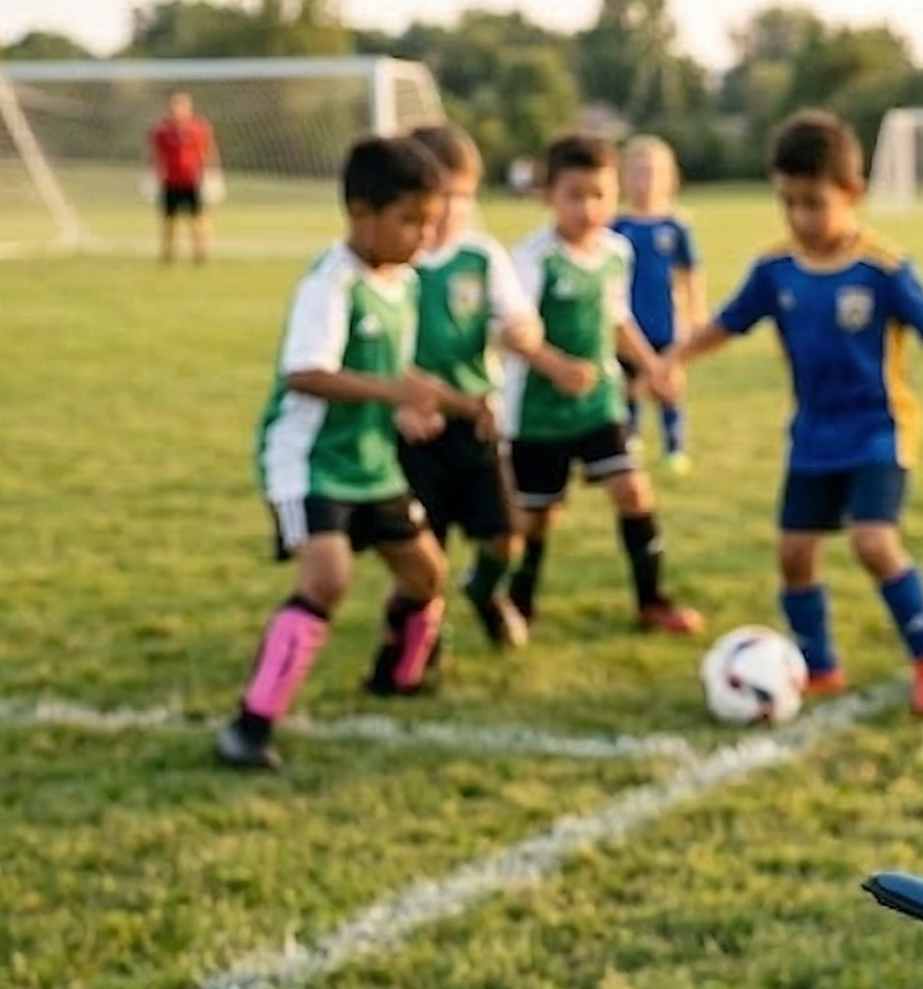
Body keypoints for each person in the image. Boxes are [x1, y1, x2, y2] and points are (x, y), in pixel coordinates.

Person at [665, 110, 923, 715]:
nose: (799, 218)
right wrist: (672, 360)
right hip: (812, 435)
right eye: (787, 203)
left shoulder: (885, 269)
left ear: (852, 194)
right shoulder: (775, 268)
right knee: (793, 555)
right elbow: (727, 324)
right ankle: (820, 664)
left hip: (878, 430)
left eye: (813, 203)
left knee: (872, 540)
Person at [214, 136, 489, 771]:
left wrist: (433, 402)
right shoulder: (331, 284)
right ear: (361, 214)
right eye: (410, 220)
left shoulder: (404, 283)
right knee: (327, 578)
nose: (424, 235)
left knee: (426, 573)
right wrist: (395, 391)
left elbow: (393, 368)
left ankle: (398, 676)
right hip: (309, 461)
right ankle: (250, 726)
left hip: (371, 460)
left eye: (430, 219)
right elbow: (305, 373)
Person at [500, 134, 701, 638]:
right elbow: (511, 331)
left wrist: (654, 367)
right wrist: (555, 365)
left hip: (599, 404)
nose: (589, 208)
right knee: (535, 519)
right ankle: (517, 602)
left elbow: (616, 319)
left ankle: (652, 601)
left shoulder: (616, 251)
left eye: (600, 195)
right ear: (549, 195)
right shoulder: (532, 259)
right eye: (575, 195)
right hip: (538, 413)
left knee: (633, 491)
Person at [401, 123, 583, 652]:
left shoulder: (482, 256)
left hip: (478, 419)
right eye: (445, 195)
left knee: (505, 533)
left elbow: (522, 323)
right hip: (417, 425)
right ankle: (423, 640)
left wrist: (523, 333)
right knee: (425, 546)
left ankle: (485, 589)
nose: (456, 207)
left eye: (465, 195)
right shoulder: (400, 262)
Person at [611, 135, 705, 477]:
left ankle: (674, 447)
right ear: (624, 179)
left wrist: (695, 314)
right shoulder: (617, 225)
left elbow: (690, 272)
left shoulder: (676, 225)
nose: (645, 181)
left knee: (668, 385)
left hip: (665, 322)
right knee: (627, 386)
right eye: (637, 173)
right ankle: (630, 442)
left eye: (652, 173)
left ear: (668, 179)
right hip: (626, 325)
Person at [149, 92, 218, 265]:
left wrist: (210, 173)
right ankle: (167, 255)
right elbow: (156, 155)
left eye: (182, 106)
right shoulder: (162, 130)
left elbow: (207, 151)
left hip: (192, 179)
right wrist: (152, 175)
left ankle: (200, 254)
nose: (178, 110)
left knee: (197, 218)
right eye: (175, 106)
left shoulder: (198, 128)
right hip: (171, 180)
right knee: (169, 220)